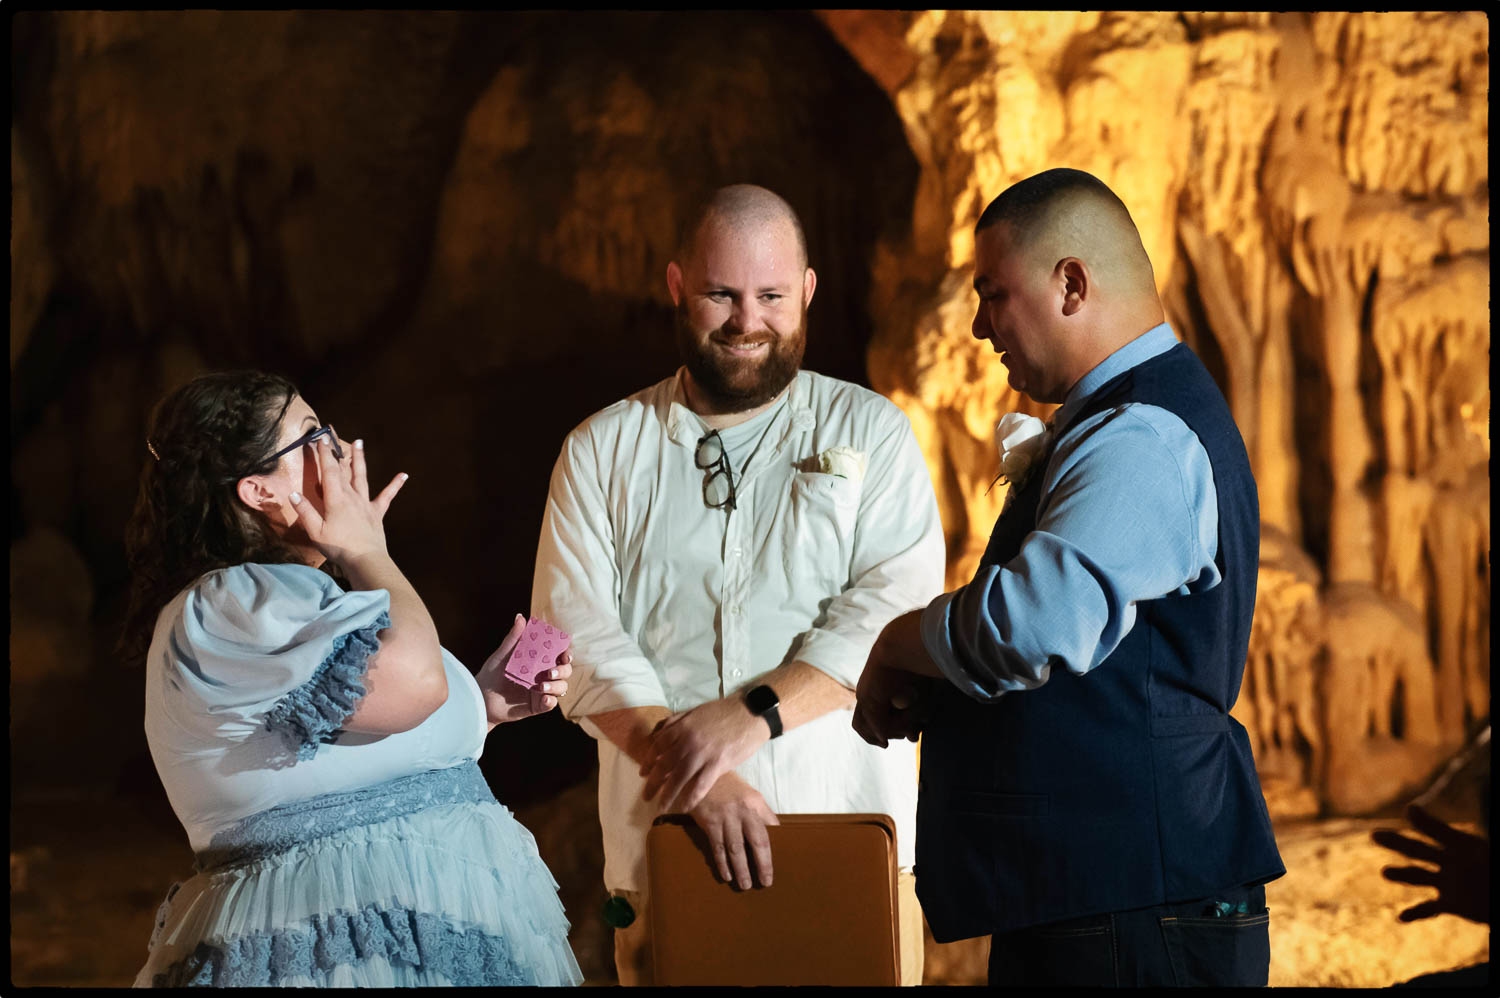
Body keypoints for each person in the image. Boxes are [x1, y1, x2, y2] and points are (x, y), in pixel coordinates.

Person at [852, 168, 1286, 987]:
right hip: (1108, 898)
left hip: (1129, 904)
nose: (980, 326)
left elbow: (1035, 623)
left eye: (993, 294)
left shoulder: (1143, 433)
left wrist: (902, 641)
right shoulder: (1132, 415)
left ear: (1072, 284)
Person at [531, 184, 945, 985]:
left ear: (809, 292)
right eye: (722, 293)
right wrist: (697, 774)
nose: (746, 320)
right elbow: (567, 629)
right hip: (666, 844)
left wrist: (749, 721)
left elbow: (894, 607)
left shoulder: (872, 431)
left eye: (771, 296)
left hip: (847, 832)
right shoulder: (600, 450)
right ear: (678, 286)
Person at [123, 371, 584, 987]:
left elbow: (384, 721)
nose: (339, 452)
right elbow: (415, 682)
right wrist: (368, 551)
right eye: (312, 438)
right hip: (339, 945)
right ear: (258, 490)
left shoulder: (303, 597)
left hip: (415, 920)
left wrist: (483, 701)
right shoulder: (232, 602)